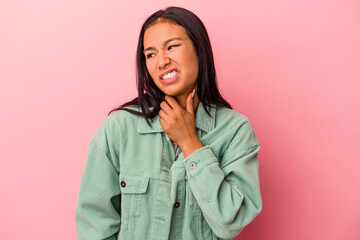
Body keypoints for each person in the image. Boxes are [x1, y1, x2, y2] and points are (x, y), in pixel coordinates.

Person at [75, 6, 262, 240]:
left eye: (172, 46)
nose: (161, 61)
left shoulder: (235, 131)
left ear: (199, 49)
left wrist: (190, 142)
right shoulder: (119, 128)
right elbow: (94, 223)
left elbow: (230, 223)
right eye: (150, 54)